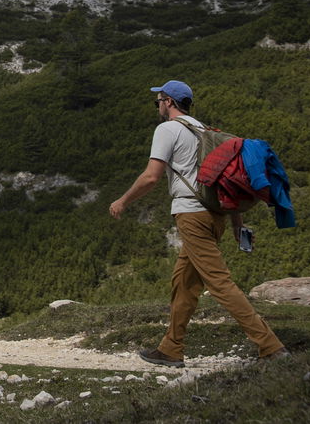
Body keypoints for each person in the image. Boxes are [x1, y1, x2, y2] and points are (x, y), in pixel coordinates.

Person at [109, 80, 287, 366]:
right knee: (184, 282)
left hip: (192, 215)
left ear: (168, 102)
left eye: (158, 101)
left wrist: (123, 201)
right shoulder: (204, 131)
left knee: (219, 283)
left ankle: (271, 346)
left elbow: (152, 176)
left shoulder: (167, 129)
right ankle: (170, 348)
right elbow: (225, 184)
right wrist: (235, 224)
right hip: (214, 215)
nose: (157, 105)